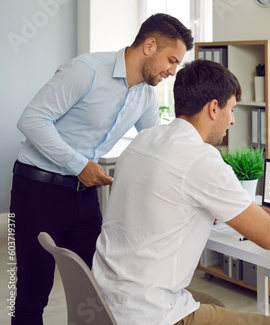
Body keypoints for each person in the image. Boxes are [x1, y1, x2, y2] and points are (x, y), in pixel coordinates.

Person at [92, 59, 270, 325]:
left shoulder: (145, 139)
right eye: (232, 109)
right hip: (150, 314)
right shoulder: (201, 159)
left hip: (104, 299)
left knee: (214, 304)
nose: (233, 120)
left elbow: (194, 202)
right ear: (214, 108)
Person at [9, 13, 194, 325]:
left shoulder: (145, 96)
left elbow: (159, 146)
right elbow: (31, 120)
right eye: (171, 60)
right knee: (32, 292)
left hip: (83, 197)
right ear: (150, 45)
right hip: (37, 191)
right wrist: (79, 165)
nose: (173, 72)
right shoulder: (86, 71)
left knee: (99, 287)